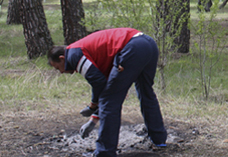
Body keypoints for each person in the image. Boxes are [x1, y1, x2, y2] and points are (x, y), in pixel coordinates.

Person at [47, 28, 167, 156]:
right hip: (148, 43)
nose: (60, 72)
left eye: (57, 67)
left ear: (62, 58)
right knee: (146, 92)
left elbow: (99, 84)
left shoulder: (74, 55)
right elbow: (108, 86)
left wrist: (92, 106)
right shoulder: (85, 52)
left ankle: (105, 152)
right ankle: (159, 139)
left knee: (109, 101)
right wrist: (94, 119)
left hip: (132, 46)